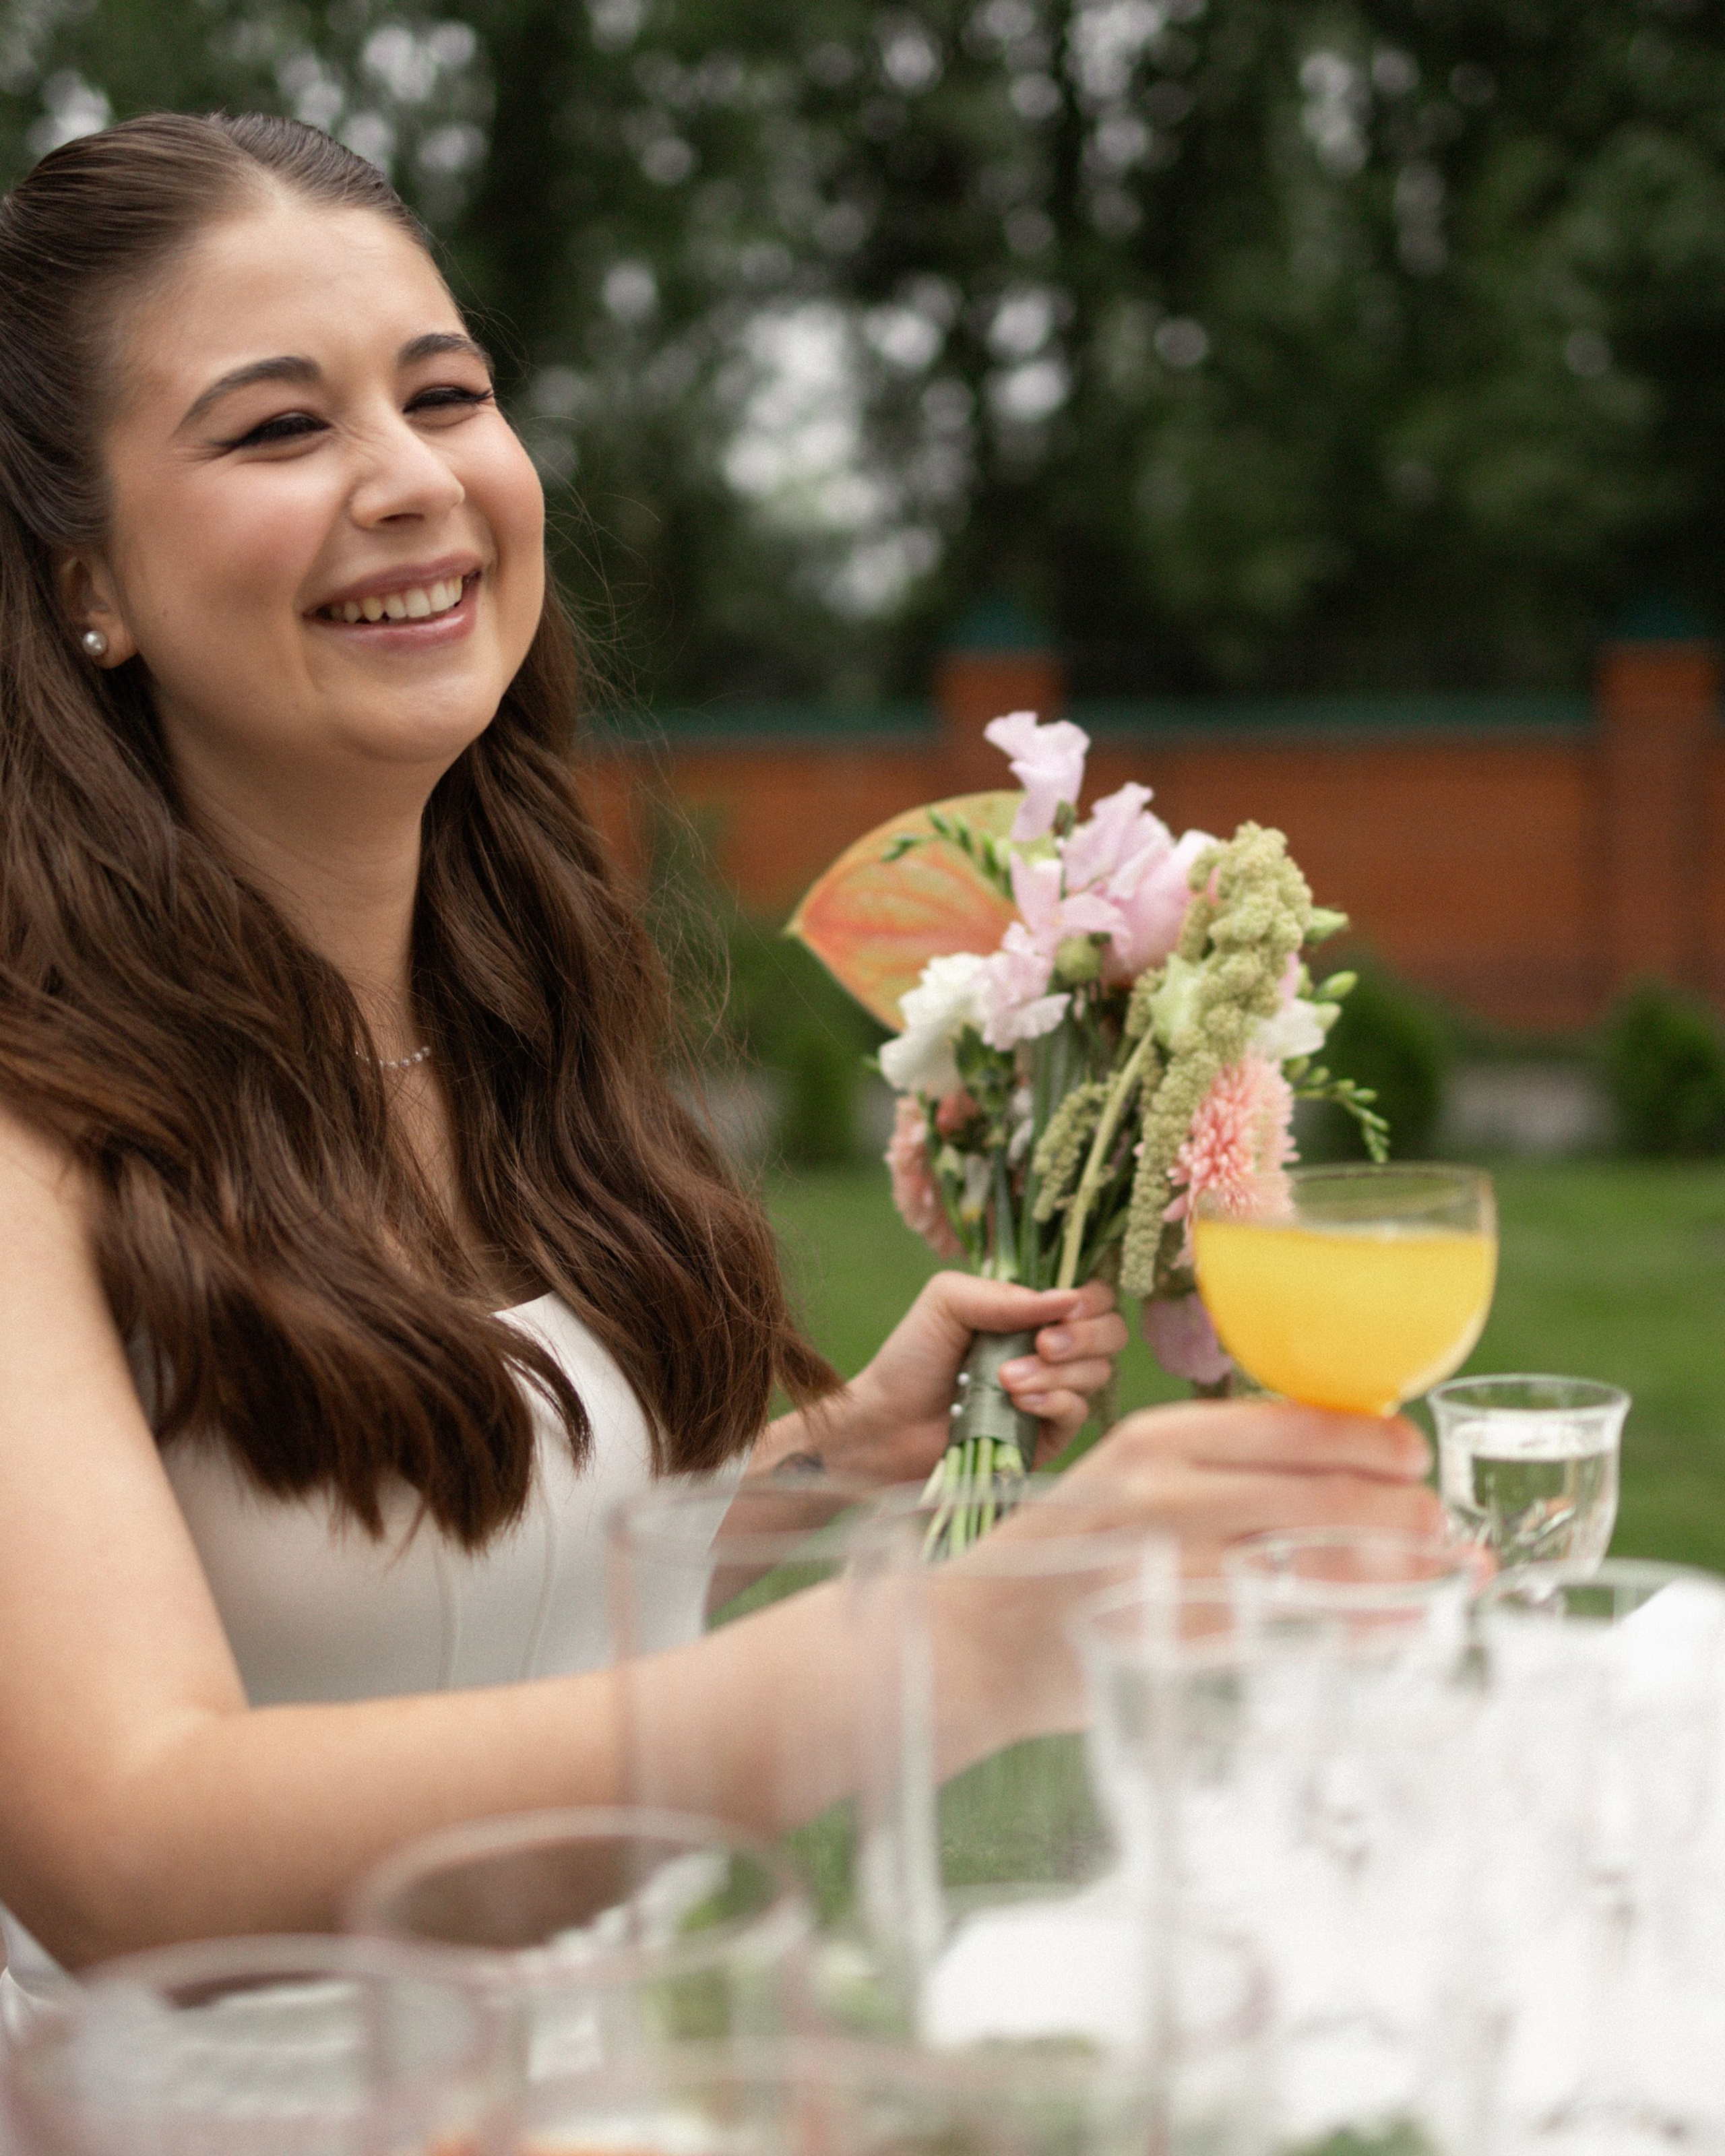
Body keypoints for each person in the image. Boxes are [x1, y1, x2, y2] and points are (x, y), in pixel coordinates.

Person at [0, 113, 1441, 2015]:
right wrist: (958, 1647)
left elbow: (424, 1581)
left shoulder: (506, 1024)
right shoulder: (32, 1136)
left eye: (447, 397)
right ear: (84, 579)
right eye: (281, 428)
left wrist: (825, 1472)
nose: (411, 479)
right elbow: (131, 1842)